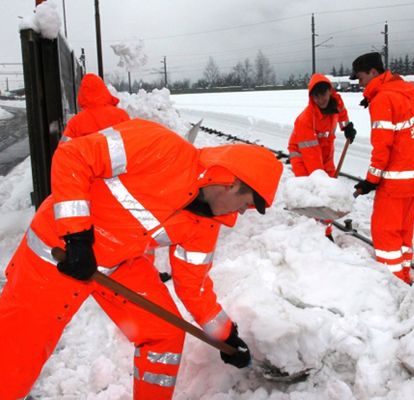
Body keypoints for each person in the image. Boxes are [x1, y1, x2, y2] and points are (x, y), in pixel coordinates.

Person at [0, 118, 283, 399]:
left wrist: (225, 336)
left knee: (165, 333)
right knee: (17, 353)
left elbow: (193, 286)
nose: (243, 212)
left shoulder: (207, 224)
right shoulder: (159, 146)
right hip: (57, 249)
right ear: (232, 184)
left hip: (118, 263)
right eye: (246, 204)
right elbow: (73, 156)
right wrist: (77, 235)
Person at [350, 52, 414, 285]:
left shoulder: (383, 100)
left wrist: (370, 181)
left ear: (373, 73)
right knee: (404, 234)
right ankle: (404, 275)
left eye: (360, 77)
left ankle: (393, 285)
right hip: (413, 180)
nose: (360, 83)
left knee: (386, 236)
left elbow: (382, 147)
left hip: (393, 182)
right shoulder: (406, 90)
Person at [287, 73, 357, 240]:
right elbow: (312, 158)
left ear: (330, 92)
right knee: (316, 193)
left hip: (325, 150)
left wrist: (347, 127)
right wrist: (322, 181)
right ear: (312, 97)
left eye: (323, 94)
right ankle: (320, 235)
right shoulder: (306, 119)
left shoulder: (336, 102)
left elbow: (342, 114)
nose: (321, 99)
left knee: (328, 193)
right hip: (302, 154)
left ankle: (324, 229)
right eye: (316, 96)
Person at [61, 73, 130, 142]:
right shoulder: (122, 116)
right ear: (104, 89)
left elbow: (63, 149)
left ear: (82, 93)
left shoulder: (75, 123)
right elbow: (132, 143)